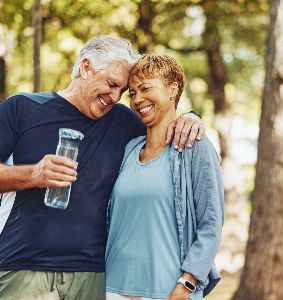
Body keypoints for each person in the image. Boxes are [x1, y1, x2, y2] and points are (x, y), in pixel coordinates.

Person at [0, 36, 205, 300]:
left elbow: (164, 121)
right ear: (86, 68)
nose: (115, 97)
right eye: (111, 84)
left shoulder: (123, 121)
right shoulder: (23, 108)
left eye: (122, 91)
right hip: (22, 267)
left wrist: (191, 116)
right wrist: (33, 174)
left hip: (93, 277)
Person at [105, 54, 224, 300]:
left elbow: (210, 224)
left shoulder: (194, 147)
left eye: (145, 88)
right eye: (133, 93)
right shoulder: (128, 149)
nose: (138, 100)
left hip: (168, 291)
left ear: (173, 89)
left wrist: (186, 285)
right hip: (115, 287)